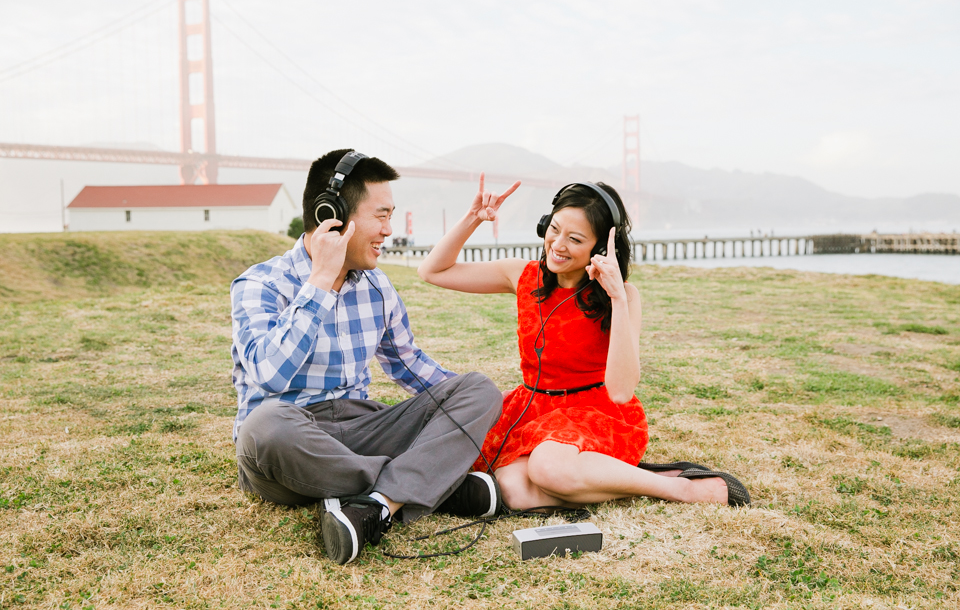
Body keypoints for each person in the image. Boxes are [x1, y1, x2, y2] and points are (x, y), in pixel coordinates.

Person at [231, 149, 504, 565]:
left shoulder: (377, 286)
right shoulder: (260, 284)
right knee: (263, 426)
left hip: (361, 426)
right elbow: (270, 376)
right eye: (381, 216)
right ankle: (429, 483)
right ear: (334, 215)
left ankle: (381, 500)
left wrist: (490, 408)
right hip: (292, 439)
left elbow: (412, 368)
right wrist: (320, 282)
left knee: (479, 390)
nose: (388, 230)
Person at [418, 176, 750, 510]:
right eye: (554, 229)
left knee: (547, 467)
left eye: (575, 239)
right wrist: (474, 217)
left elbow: (621, 391)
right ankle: (606, 476)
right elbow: (433, 271)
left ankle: (680, 488)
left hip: (593, 412)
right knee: (511, 489)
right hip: (532, 409)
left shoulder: (622, 297)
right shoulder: (522, 275)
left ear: (601, 249)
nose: (557, 245)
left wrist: (618, 297)